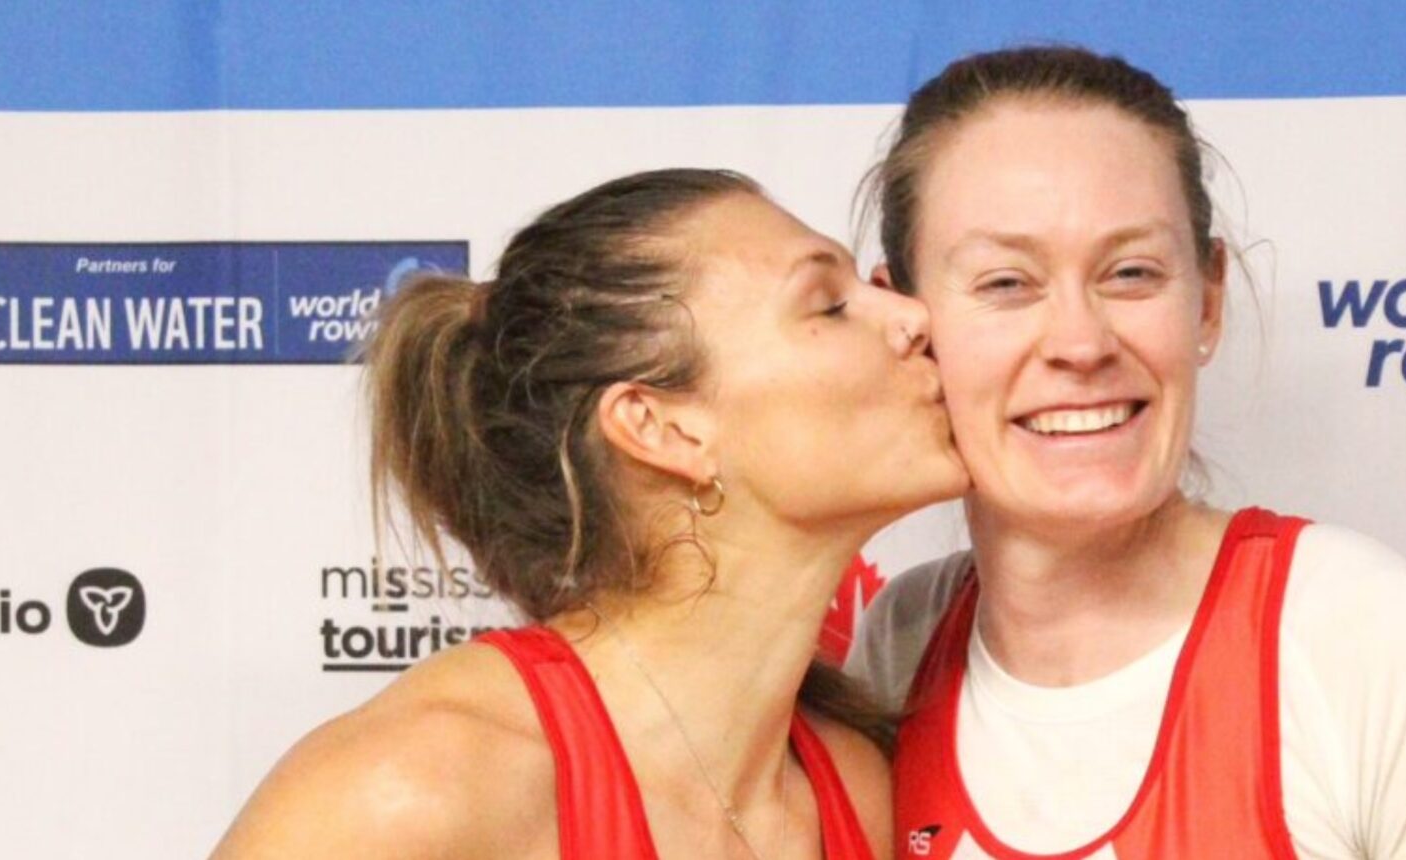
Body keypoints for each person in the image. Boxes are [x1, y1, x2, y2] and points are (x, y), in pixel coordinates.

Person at [847, 47, 1406, 859]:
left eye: (1130, 273)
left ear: (1206, 301)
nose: (1081, 341)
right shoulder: (899, 645)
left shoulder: (1385, 649)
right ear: (902, 320)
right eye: (1006, 284)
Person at [215, 168, 967, 859]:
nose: (913, 317)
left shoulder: (856, 788)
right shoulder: (420, 788)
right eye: (829, 307)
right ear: (660, 427)